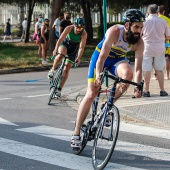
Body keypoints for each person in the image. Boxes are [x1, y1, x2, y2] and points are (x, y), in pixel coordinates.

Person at [70, 9, 145, 149]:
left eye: (141, 27)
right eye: (136, 27)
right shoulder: (115, 31)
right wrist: (98, 75)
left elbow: (138, 68)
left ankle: (107, 106)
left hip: (117, 60)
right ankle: (76, 133)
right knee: (92, 93)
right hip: (100, 58)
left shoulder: (139, 42)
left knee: (128, 75)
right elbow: (102, 57)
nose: (139, 31)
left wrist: (137, 86)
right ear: (127, 25)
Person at [47, 17, 87, 96]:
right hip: (66, 43)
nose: (79, 29)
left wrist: (78, 58)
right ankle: (53, 70)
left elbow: (81, 47)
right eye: (78, 27)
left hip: (74, 48)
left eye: (81, 27)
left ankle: (59, 89)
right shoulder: (69, 28)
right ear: (74, 25)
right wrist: (55, 49)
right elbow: (61, 38)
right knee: (60, 55)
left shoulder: (84, 33)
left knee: (67, 68)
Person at [142, 4, 170, 97]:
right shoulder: (163, 21)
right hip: (159, 48)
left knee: (147, 69)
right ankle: (162, 90)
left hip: (147, 47)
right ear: (157, 11)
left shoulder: (144, 21)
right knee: (159, 69)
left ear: (148, 11)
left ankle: (146, 91)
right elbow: (168, 36)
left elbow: (140, 34)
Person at [151, 5, 170, 80]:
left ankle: (156, 76)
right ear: (164, 11)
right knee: (167, 58)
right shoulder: (168, 19)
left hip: (156, 41)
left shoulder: (156, 19)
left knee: (155, 57)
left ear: (157, 12)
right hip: (167, 41)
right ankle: (168, 75)